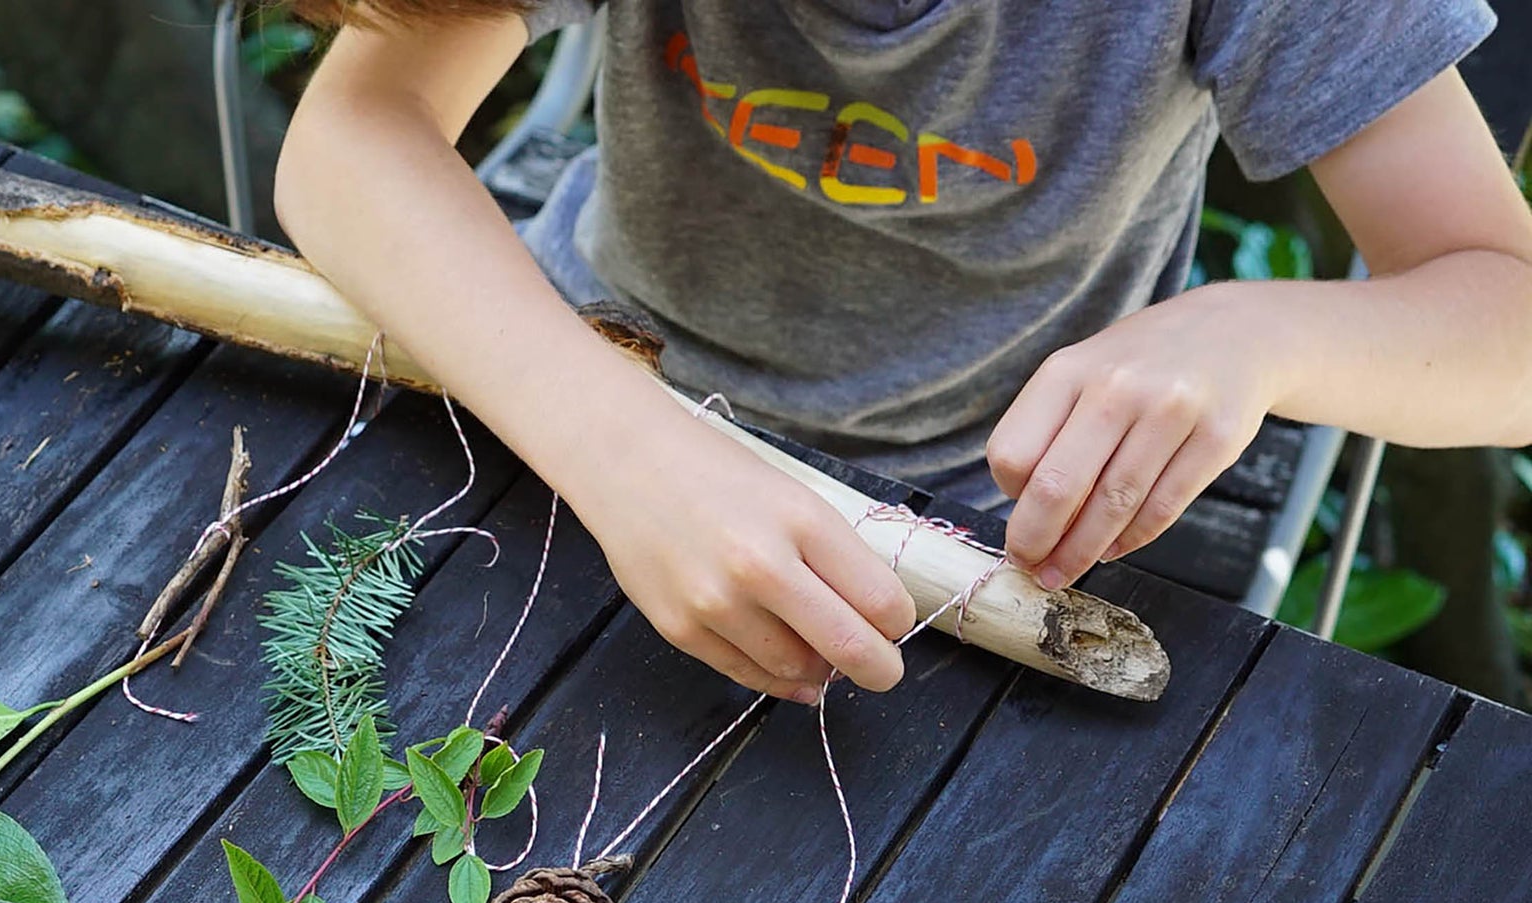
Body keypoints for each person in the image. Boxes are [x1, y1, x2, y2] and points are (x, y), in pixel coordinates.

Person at [273, 0, 1532, 705]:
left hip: (973, 533)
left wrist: (1258, 333)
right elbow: (350, 135)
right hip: (561, 401)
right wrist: (622, 443)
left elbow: (1506, 319)